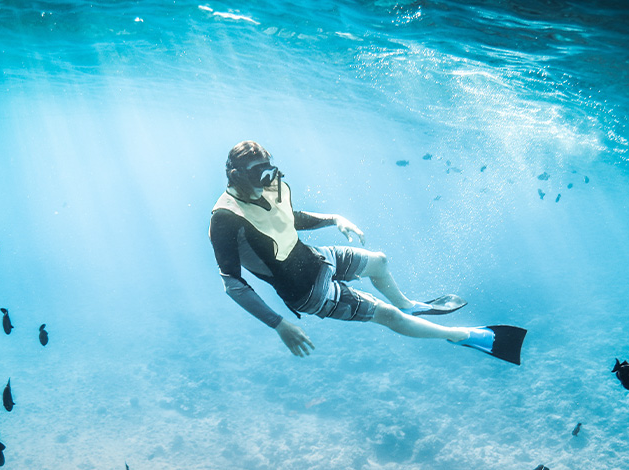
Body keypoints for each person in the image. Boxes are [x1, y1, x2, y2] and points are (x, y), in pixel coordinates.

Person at [208, 141, 526, 364]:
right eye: (258, 175)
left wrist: (334, 218)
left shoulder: (268, 186)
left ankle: (410, 306)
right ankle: (461, 335)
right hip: (306, 292)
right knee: (387, 316)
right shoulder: (224, 219)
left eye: (269, 172)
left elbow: (287, 218)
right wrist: (278, 324)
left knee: (379, 261)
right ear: (236, 177)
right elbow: (233, 284)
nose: (268, 182)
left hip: (317, 257)